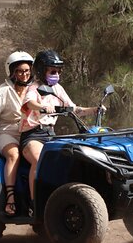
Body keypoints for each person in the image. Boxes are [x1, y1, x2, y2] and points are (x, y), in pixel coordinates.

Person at [19, 50, 104, 214]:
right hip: (32, 136)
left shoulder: (57, 88)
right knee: (39, 159)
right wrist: (42, 106)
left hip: (51, 135)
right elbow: (29, 103)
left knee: (70, 161)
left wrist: (94, 110)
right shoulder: (34, 88)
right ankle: (33, 203)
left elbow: (73, 109)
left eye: (58, 71)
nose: (56, 75)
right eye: (52, 71)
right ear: (42, 70)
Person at [0, 51, 34, 216]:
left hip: (27, 131)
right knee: (14, 155)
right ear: (12, 72)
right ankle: (10, 200)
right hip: (5, 132)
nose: (24, 75)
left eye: (27, 71)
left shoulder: (33, 90)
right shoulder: (3, 91)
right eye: (20, 71)